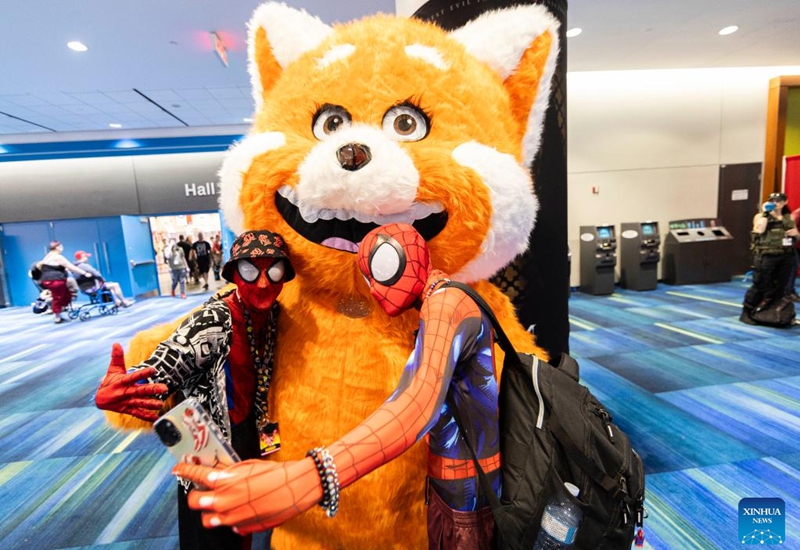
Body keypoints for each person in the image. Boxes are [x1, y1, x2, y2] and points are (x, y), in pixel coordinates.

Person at [173, 223, 501, 549]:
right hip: (447, 486)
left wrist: (310, 477)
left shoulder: (448, 304)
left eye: (381, 269)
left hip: (469, 493)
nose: (372, 289)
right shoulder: (437, 303)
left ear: (407, 258)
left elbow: (415, 404)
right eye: (367, 278)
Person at [94, 230, 295, 550]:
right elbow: (165, 365)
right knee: (210, 536)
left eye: (273, 271)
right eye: (249, 271)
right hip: (206, 443)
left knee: (243, 525)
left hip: (250, 435)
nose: (262, 283)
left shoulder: (272, 315)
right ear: (233, 274)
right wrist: (125, 386)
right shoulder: (213, 320)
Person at [741, 192, 799, 324]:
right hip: (767, 256)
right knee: (760, 285)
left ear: (784, 202)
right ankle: (747, 311)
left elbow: (797, 237)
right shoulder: (761, 216)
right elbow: (760, 230)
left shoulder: (787, 217)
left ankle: (770, 312)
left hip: (785, 256)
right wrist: (766, 212)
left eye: (778, 201)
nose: (775, 203)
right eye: (772, 200)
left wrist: (796, 234)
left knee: (780, 287)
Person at [36, 241, 92, 324]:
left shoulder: (47, 256)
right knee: (58, 298)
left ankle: (58, 313)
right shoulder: (57, 257)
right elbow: (70, 266)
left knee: (66, 296)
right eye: (61, 246)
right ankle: (57, 317)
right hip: (56, 280)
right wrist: (84, 273)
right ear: (57, 247)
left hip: (47, 280)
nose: (62, 248)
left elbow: (51, 267)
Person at [787, 205, 800, 302]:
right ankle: (788, 292)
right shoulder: (796, 215)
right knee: (792, 270)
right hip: (796, 247)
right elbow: (790, 232)